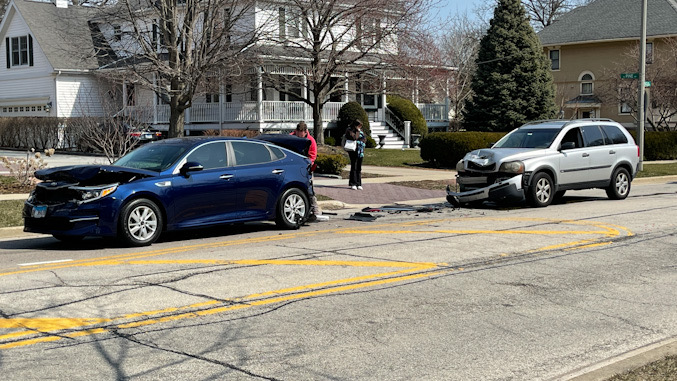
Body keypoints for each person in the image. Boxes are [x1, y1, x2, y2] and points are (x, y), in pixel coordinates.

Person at [290, 122, 327, 222]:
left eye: (301, 135)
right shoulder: (290, 138)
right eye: (298, 134)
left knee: (309, 189)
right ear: (296, 131)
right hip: (292, 167)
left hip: (306, 168)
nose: (300, 137)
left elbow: (312, 156)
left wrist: (306, 164)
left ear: (306, 132)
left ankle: (315, 210)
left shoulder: (311, 141)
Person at [344, 119, 367, 190]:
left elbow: (364, 138)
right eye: (359, 126)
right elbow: (354, 138)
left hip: (360, 151)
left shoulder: (361, 131)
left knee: (359, 167)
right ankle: (353, 183)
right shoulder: (349, 130)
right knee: (354, 166)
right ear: (355, 125)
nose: (360, 127)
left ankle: (358, 183)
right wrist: (357, 131)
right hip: (353, 150)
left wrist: (362, 141)